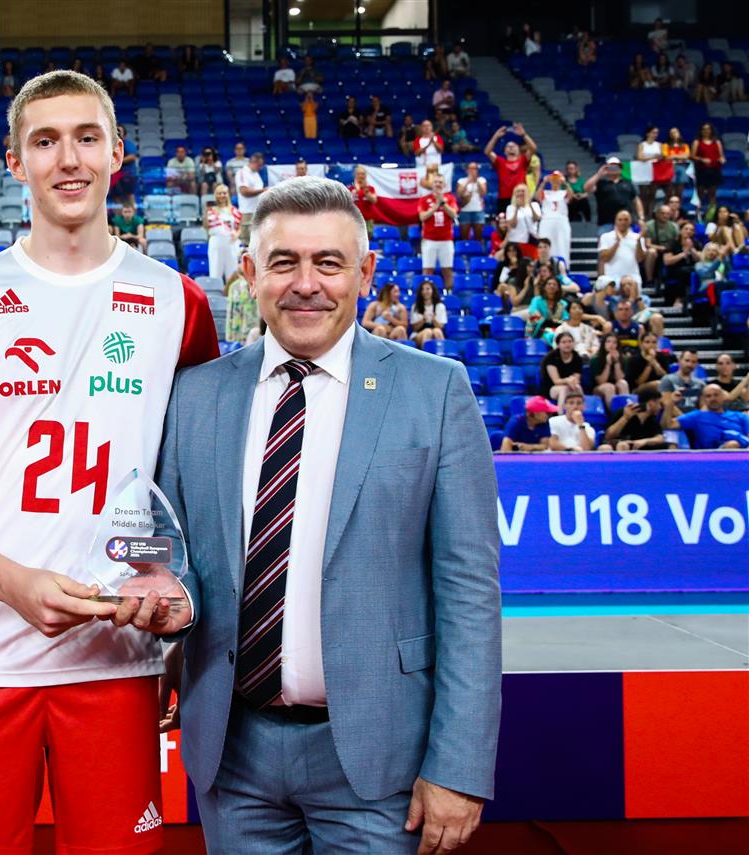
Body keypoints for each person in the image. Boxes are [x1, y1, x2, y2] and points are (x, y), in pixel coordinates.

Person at [0, 70, 219, 854]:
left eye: (86, 138)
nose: (68, 159)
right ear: (16, 162)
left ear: (117, 153)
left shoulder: (179, 302)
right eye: (45, 141)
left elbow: (197, 484)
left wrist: (183, 621)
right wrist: (15, 584)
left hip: (117, 657)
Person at [152, 175, 499, 854]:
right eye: (283, 262)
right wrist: (169, 596)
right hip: (233, 755)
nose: (306, 284)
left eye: (329, 263)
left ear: (364, 273)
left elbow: (470, 594)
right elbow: (175, 553)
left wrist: (458, 765)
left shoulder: (436, 391)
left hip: (382, 758)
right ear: (250, 272)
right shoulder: (194, 396)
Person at [664, 385, 749, 449]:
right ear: (704, 399)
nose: (713, 399)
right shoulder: (696, 417)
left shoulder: (741, 417)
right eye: (708, 396)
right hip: (710, 458)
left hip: (743, 455)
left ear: (723, 396)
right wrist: (670, 403)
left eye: (716, 395)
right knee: (732, 445)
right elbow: (668, 425)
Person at [419, 174, 457, 292]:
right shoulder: (424, 200)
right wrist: (436, 206)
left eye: (440, 182)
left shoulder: (450, 199)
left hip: (446, 240)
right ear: (432, 185)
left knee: (447, 270)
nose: (438, 184)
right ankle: (425, 294)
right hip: (429, 240)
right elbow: (422, 217)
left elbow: (454, 214)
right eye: (436, 182)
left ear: (444, 184)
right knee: (428, 270)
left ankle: (448, 293)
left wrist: (443, 204)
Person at [483, 124, 537, 208]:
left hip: (521, 196)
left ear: (519, 150)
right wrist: (496, 136)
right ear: (504, 151)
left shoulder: (523, 160)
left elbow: (533, 148)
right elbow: (487, 151)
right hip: (504, 197)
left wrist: (524, 135)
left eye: (514, 146)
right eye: (508, 146)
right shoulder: (500, 161)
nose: (511, 147)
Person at [584, 157, 643, 232]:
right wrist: (599, 174)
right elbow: (586, 188)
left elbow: (636, 201)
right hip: (606, 223)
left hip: (627, 222)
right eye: (611, 167)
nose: (614, 169)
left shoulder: (628, 183)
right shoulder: (601, 183)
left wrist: (641, 217)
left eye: (616, 167)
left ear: (620, 169)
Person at [604, 387, 669, 450]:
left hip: (639, 450)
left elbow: (660, 438)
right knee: (622, 445)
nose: (660, 407)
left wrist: (644, 441)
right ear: (651, 403)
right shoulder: (622, 412)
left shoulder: (651, 419)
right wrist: (625, 418)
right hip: (619, 447)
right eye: (659, 403)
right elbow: (609, 436)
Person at [205, 185, 242, 282]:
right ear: (215, 195)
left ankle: (231, 291)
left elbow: (239, 228)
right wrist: (205, 213)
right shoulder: (211, 210)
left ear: (228, 194)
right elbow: (206, 227)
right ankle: (215, 290)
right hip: (216, 242)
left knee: (232, 272)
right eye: (219, 193)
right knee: (215, 271)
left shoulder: (234, 210)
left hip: (231, 243)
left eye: (224, 193)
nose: (222, 195)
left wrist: (237, 235)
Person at [598, 210, 645, 283]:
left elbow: (640, 259)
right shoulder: (605, 237)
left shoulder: (637, 237)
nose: (623, 222)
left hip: (633, 278)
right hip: (612, 278)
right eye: (620, 220)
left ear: (630, 221)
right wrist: (617, 243)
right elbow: (605, 258)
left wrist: (638, 241)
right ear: (615, 221)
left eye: (626, 219)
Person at [539, 331, 584, 407]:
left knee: (578, 387)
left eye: (570, 341)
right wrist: (567, 380)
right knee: (564, 390)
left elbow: (576, 378)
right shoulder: (551, 358)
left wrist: (573, 381)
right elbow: (556, 381)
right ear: (558, 345)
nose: (567, 344)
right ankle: (561, 412)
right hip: (551, 387)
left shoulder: (577, 358)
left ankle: (580, 411)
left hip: (570, 385)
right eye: (564, 342)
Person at [536, 170, 571, 262]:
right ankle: (545, 263)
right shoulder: (545, 192)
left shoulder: (564, 192)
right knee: (545, 243)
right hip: (547, 220)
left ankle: (563, 264)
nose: (555, 181)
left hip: (561, 220)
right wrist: (543, 183)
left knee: (562, 244)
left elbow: (571, 197)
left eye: (557, 179)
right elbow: (537, 197)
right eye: (553, 179)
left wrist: (565, 184)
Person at [589, 333, 631, 406]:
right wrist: (608, 364)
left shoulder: (623, 359)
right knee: (609, 387)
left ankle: (625, 409)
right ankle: (613, 412)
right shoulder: (595, 359)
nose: (611, 344)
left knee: (623, 383)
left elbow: (619, 379)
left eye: (614, 342)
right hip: (599, 388)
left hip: (615, 384)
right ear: (603, 344)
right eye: (608, 341)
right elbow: (601, 381)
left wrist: (616, 362)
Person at [692, 123, 724, 214]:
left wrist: (722, 159)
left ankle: (711, 214)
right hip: (702, 170)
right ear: (701, 131)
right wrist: (702, 159)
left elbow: (721, 156)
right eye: (704, 129)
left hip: (714, 170)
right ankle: (698, 213)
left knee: (712, 193)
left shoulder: (717, 142)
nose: (706, 131)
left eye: (708, 129)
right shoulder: (697, 142)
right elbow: (692, 156)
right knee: (700, 193)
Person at [235, 152, 266, 244]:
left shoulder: (256, 174)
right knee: (245, 241)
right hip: (247, 212)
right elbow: (244, 192)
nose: (260, 168)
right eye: (259, 165)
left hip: (257, 211)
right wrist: (262, 190)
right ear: (253, 162)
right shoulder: (242, 173)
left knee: (256, 241)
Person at [505, 184, 541, 256]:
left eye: (523, 191)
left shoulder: (535, 205)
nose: (521, 193)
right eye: (518, 191)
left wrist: (530, 204)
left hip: (530, 241)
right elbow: (512, 225)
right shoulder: (510, 208)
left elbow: (536, 219)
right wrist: (516, 209)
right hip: (516, 240)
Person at [410, 279, 448, 345]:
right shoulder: (415, 306)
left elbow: (441, 327)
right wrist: (423, 320)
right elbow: (415, 328)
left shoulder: (440, 306)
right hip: (419, 334)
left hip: (435, 331)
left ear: (432, 290)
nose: (425, 291)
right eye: (423, 289)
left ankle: (441, 350)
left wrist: (433, 320)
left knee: (437, 331)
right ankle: (424, 351)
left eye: (427, 289)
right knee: (428, 332)